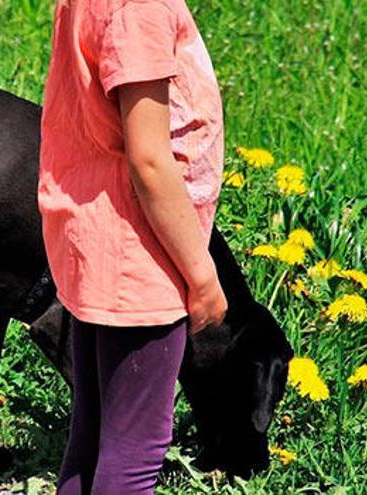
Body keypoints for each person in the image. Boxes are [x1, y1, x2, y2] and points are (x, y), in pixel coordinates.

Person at [37, 0, 228, 493]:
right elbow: (148, 160)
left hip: (98, 236)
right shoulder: (140, 8)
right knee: (134, 457)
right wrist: (202, 274)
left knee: (94, 438)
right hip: (138, 254)